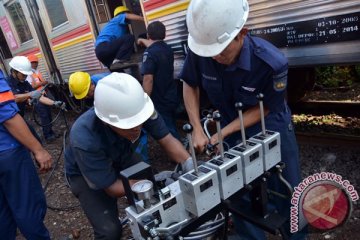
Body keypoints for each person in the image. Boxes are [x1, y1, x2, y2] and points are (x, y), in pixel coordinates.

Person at [179, 0, 304, 239]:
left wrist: (221, 133)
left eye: (222, 50)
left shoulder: (271, 62)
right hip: (230, 130)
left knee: (287, 190)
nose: (215, 57)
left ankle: (296, 235)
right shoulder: (204, 48)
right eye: (210, 53)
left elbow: (266, 107)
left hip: (271, 126)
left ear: (242, 34)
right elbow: (189, 84)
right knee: (237, 191)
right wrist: (197, 127)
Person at [64, 72, 193, 239]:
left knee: (156, 198)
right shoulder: (84, 138)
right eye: (130, 125)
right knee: (110, 230)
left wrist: (190, 164)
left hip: (120, 152)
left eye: (139, 121)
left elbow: (167, 139)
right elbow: (111, 188)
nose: (137, 128)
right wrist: (149, 182)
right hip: (84, 172)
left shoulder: (137, 106)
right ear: (107, 121)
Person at [0, 69, 53, 239]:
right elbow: (6, 114)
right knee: (27, 207)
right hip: (7, 152)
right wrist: (38, 150)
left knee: (2, 213)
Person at [68, 71, 149, 162]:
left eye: (87, 93)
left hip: (128, 109)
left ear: (91, 84)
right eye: (84, 95)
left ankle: (143, 162)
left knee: (138, 135)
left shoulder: (105, 88)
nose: (86, 97)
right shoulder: (94, 87)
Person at [137, 21, 181, 140]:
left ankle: (181, 154)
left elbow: (148, 79)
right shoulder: (168, 49)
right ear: (165, 35)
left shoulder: (150, 53)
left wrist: (144, 99)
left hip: (159, 97)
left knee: (168, 128)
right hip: (171, 93)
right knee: (172, 121)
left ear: (148, 35)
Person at [6, 56, 65, 142]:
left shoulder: (25, 83)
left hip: (20, 116)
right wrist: (30, 94)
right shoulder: (7, 83)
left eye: (26, 75)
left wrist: (54, 103)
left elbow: (39, 97)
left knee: (35, 140)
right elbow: (13, 98)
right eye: (23, 74)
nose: (25, 77)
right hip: (9, 119)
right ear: (15, 72)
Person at [26, 54, 59, 141]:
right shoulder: (28, 74)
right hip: (37, 99)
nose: (35, 64)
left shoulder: (36, 71)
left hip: (43, 95)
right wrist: (42, 83)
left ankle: (51, 132)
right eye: (33, 63)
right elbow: (31, 88)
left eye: (36, 62)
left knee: (48, 114)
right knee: (44, 116)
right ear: (29, 63)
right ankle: (47, 136)